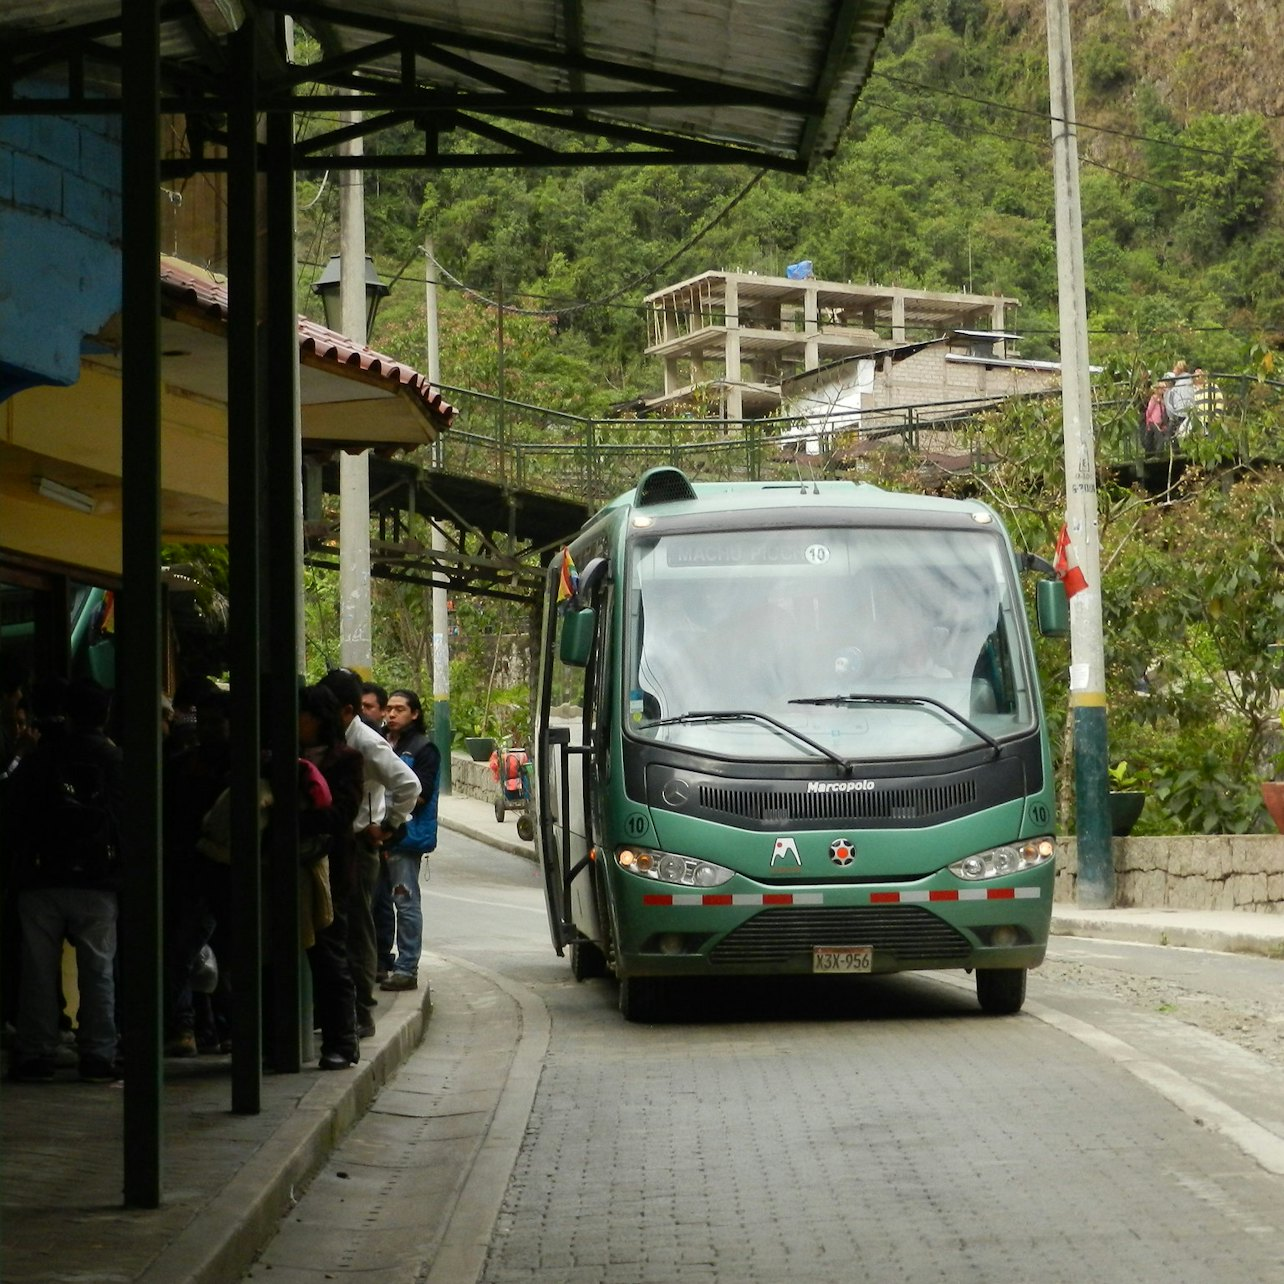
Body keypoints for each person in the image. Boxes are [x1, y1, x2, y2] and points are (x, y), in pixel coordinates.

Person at [7, 677, 123, 1083]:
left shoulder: (41, 757)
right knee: (98, 968)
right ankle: (98, 1053)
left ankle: (36, 1052)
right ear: (104, 715)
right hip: (98, 878)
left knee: (38, 970)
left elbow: (14, 811)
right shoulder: (114, 760)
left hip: (41, 878)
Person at [317, 669, 419, 1040]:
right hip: (333, 843)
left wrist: (388, 825)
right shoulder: (331, 739)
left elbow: (408, 784)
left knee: (357, 927)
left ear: (345, 710)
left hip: (359, 845)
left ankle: (361, 1009)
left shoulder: (365, 742)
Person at [298, 684, 365, 1070]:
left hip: (330, 873)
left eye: (303, 716)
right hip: (288, 869)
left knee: (329, 956)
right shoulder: (280, 756)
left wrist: (297, 817)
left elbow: (341, 816)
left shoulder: (347, 760)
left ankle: (342, 1040)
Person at [373, 689, 440, 992]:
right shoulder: (381, 743)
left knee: (405, 902)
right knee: (378, 902)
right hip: (377, 836)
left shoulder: (423, 748)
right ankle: (381, 961)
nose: (391, 714)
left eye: (400, 709)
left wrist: (389, 817)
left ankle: (407, 967)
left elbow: (421, 796)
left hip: (404, 838)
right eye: (389, 709)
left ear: (414, 714)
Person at [1162, 362, 1196, 437]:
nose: (1173, 370)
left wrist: (1173, 414)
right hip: (1188, 413)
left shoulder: (1180, 384)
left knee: (1174, 438)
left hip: (1180, 414)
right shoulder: (1188, 381)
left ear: (1179, 369)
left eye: (1175, 368)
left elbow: (1172, 404)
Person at [1142, 379, 1172, 456]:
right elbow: (1149, 411)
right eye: (1161, 388)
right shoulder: (1154, 399)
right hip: (1153, 421)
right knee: (1159, 438)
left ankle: (1160, 453)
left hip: (1161, 422)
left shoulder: (1163, 399)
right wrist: (1148, 422)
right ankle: (1157, 455)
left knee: (1163, 436)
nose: (1163, 390)